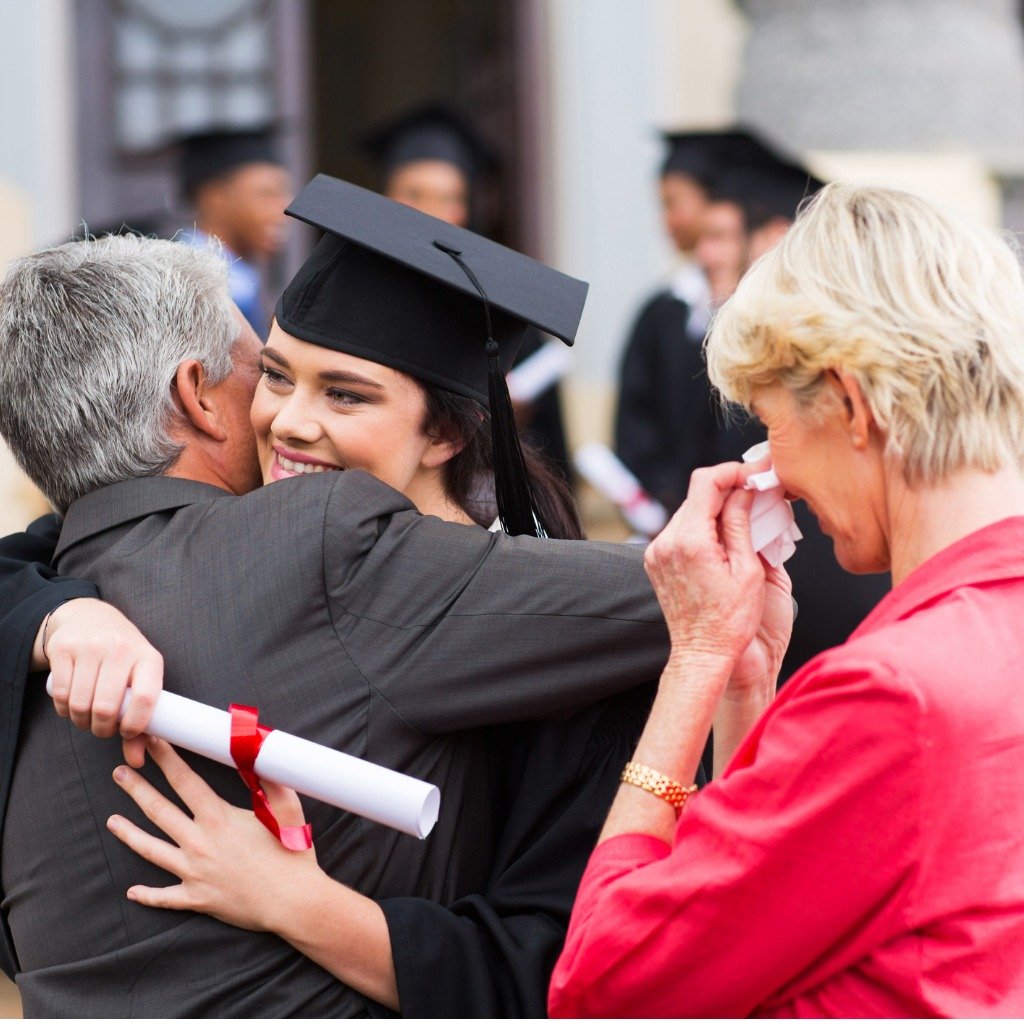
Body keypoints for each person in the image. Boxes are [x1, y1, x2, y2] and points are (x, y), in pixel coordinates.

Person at [0, 176, 675, 1017]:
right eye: (272, 375)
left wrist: (304, 908)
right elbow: (687, 591)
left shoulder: (56, 591)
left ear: (448, 431)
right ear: (195, 395)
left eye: (344, 391)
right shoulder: (300, 546)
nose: (286, 421)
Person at [548, 183, 1024, 1017]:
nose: (773, 467)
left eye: (772, 424)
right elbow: (770, 910)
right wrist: (744, 685)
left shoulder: (892, 693)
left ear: (850, 402)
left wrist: (694, 657)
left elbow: (604, 986)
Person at [365, 101, 572, 479]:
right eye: (414, 193)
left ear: (465, 209)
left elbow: (548, 444)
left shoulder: (500, 303)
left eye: (449, 198)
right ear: (387, 197)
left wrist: (509, 421)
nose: (431, 211)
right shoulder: (357, 288)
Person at [176, 125, 292, 335]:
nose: (285, 208)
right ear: (214, 198)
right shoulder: (185, 286)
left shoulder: (242, 281)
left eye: (285, 193)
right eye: (266, 194)